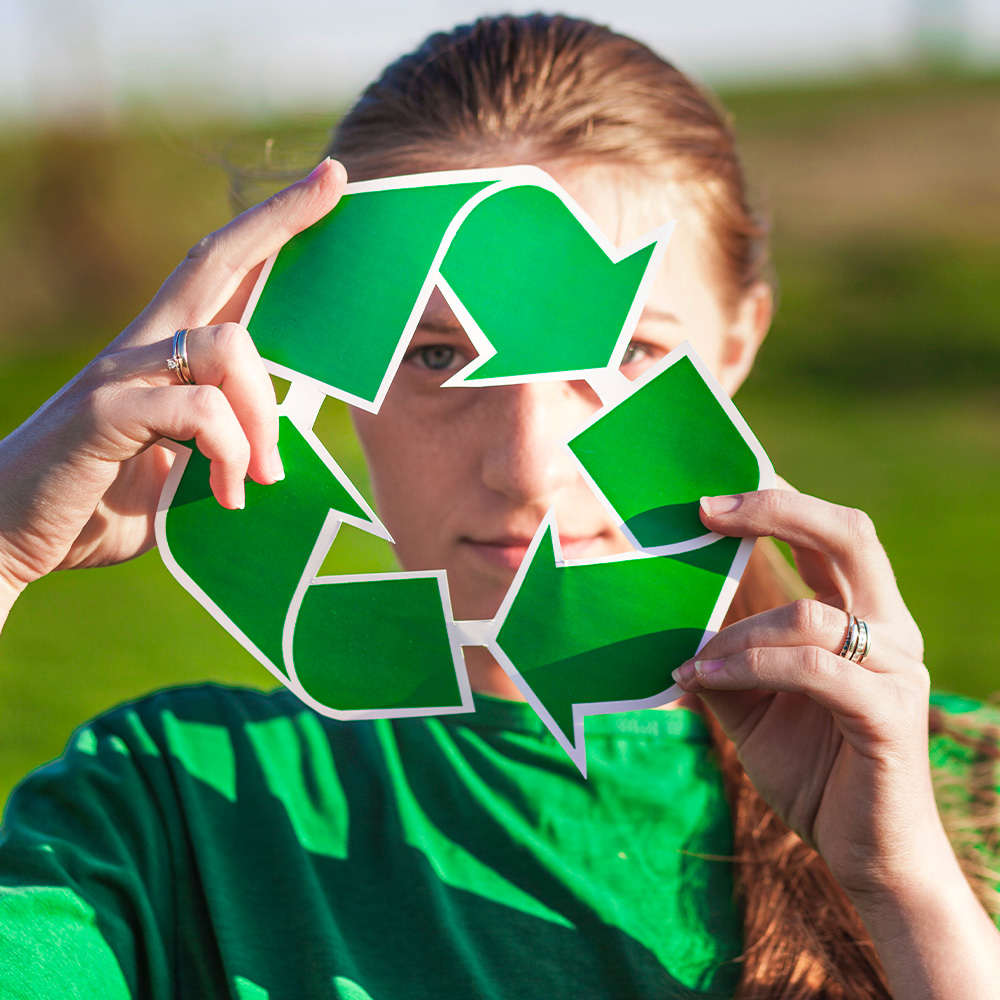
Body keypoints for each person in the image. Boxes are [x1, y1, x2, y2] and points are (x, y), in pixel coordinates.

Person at [1, 13, 998, 999]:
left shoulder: (965, 794)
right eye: (432, 355)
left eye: (625, 356)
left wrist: (907, 893)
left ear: (738, 341)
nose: (525, 469)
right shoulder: (176, 804)